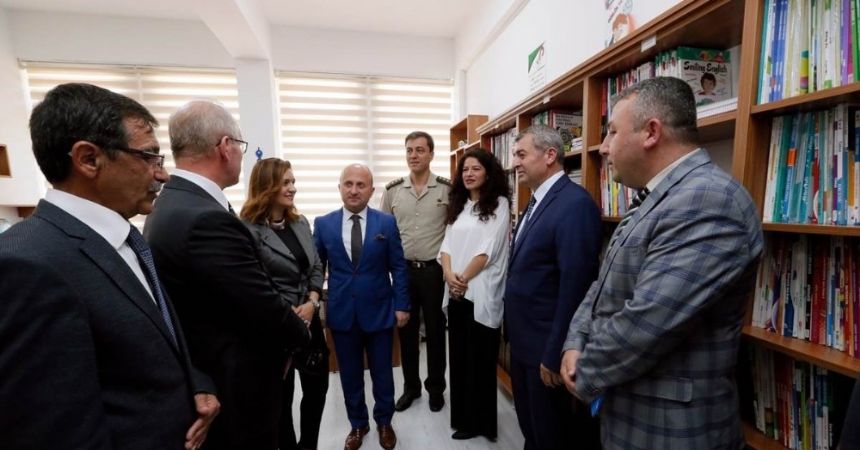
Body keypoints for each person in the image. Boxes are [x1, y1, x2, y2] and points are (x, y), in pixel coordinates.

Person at [0, 83, 219, 450]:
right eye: (148, 157)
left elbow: (152, 339)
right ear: (88, 159)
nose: (162, 175)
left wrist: (197, 383)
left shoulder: (124, 237)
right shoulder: (27, 265)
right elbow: (52, 430)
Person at [561, 76, 763, 449]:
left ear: (651, 132)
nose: (603, 147)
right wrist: (575, 341)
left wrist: (584, 371)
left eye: (612, 132)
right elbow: (603, 286)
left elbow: (648, 319)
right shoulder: (657, 198)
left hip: (670, 431)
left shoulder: (707, 199)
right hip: (631, 415)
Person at [143, 100, 310, 450]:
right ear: (225, 147)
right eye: (240, 146)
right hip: (235, 385)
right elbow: (258, 302)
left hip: (210, 374)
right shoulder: (205, 218)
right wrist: (301, 335)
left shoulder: (172, 203)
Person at [505, 124, 602, 450]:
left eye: (521, 154)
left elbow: (577, 287)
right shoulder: (535, 201)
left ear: (549, 155)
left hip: (547, 349)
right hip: (523, 342)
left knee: (552, 435)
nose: (515, 163)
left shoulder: (574, 204)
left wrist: (554, 351)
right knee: (531, 429)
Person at [313, 164, 410, 450]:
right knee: (350, 375)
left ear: (371, 190)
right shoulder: (324, 224)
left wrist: (402, 305)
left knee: (383, 374)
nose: (354, 190)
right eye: (349, 184)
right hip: (342, 313)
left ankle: (384, 422)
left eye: (361, 185)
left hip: (380, 311)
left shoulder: (386, 223)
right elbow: (317, 269)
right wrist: (313, 300)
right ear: (340, 187)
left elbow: (398, 267)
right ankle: (358, 424)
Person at [239, 158, 329, 450]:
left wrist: (313, 301)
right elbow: (254, 281)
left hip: (309, 318)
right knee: (281, 398)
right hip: (277, 326)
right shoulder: (247, 230)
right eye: (285, 182)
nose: (293, 188)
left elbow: (316, 266)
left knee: (317, 388)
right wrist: (286, 311)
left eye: (293, 182)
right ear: (267, 186)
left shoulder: (300, 222)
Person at [438, 149, 511, 441]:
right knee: (458, 359)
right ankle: (463, 419)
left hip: (480, 293)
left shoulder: (500, 205)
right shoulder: (458, 206)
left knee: (480, 361)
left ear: (488, 173)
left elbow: (488, 249)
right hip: (456, 292)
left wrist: (463, 278)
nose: (469, 174)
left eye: (476, 168)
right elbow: (446, 246)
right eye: (465, 169)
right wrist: (449, 276)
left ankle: (482, 423)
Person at [380, 131, 451, 413]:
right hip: (403, 273)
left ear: (431, 154)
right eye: (409, 150)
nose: (414, 155)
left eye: (420, 150)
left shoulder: (447, 189)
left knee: (436, 333)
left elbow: (455, 232)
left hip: (435, 272)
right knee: (407, 333)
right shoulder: (393, 190)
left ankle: (436, 388)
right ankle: (411, 388)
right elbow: (384, 234)